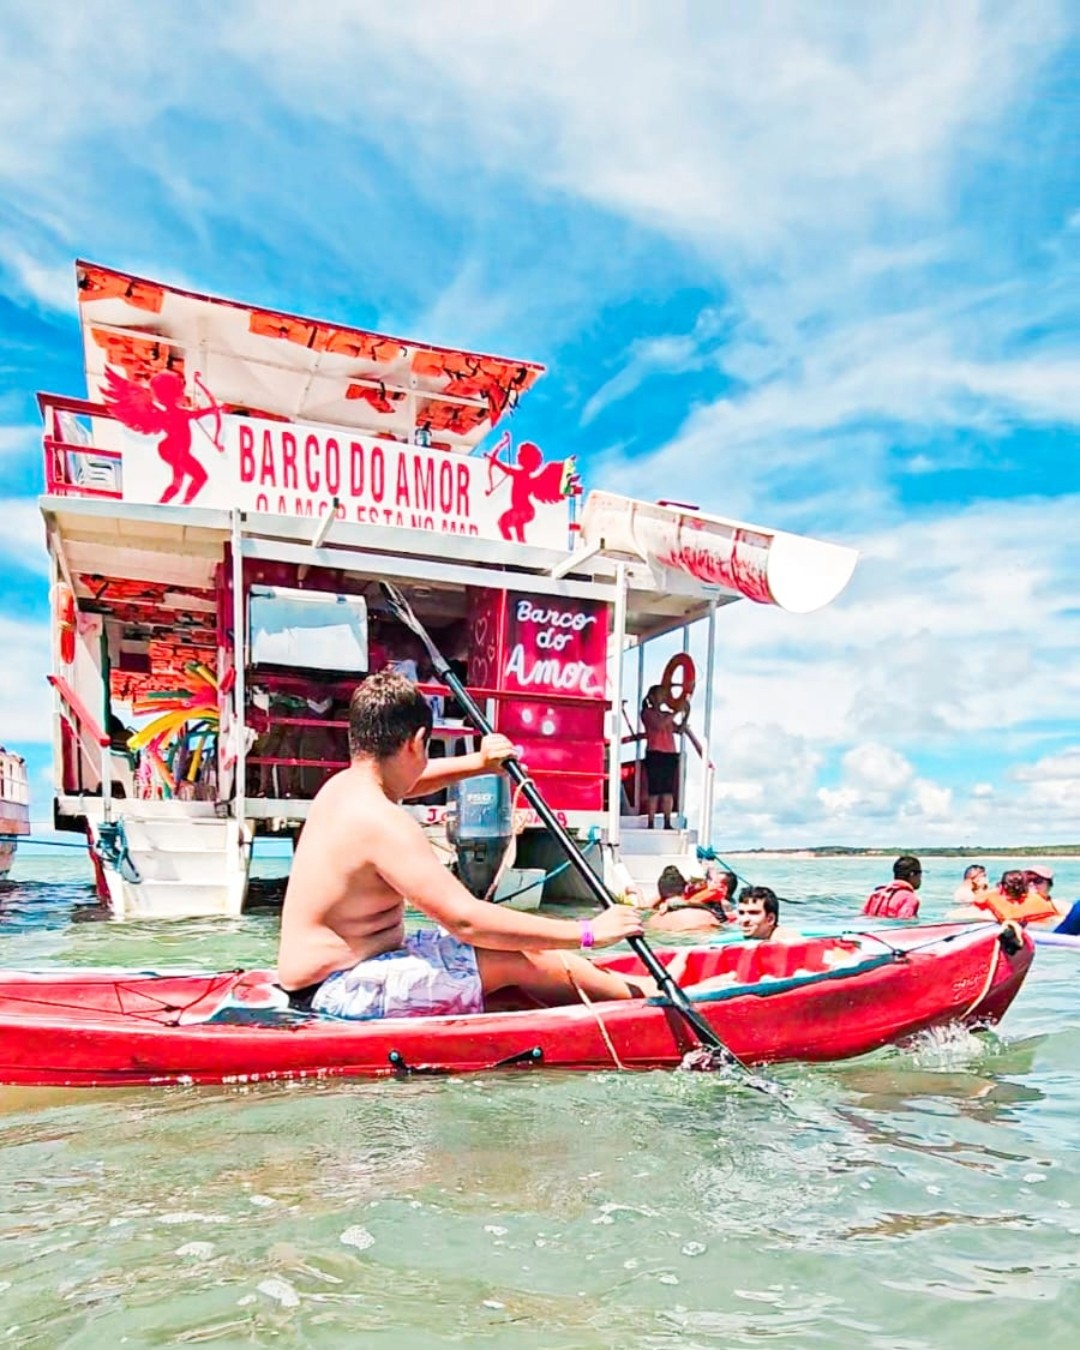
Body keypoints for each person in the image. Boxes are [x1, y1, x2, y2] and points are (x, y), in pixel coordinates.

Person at [277, 671, 651, 1019]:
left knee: (518, 958)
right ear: (417, 743)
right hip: (339, 990)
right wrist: (587, 933)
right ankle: (648, 1000)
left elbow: (409, 782)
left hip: (336, 975)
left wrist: (482, 763)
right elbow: (466, 921)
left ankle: (620, 989)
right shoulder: (384, 823)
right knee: (512, 958)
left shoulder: (343, 788)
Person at [640, 684, 686, 830]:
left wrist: (685, 714)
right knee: (655, 791)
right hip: (655, 753)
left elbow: (678, 729)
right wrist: (676, 712)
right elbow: (659, 725)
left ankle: (667, 822)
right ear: (652, 698)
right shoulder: (647, 713)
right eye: (660, 695)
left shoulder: (667, 715)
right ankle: (651, 822)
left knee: (667, 790)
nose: (663, 698)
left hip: (669, 754)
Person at [648, 866, 738, 934]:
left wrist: (671, 903)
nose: (707, 883)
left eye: (712, 881)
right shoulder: (706, 915)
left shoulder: (653, 920)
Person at [862, 855, 921, 919]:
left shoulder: (876, 894)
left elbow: (864, 915)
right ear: (912, 874)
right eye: (920, 873)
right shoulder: (909, 898)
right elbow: (905, 923)